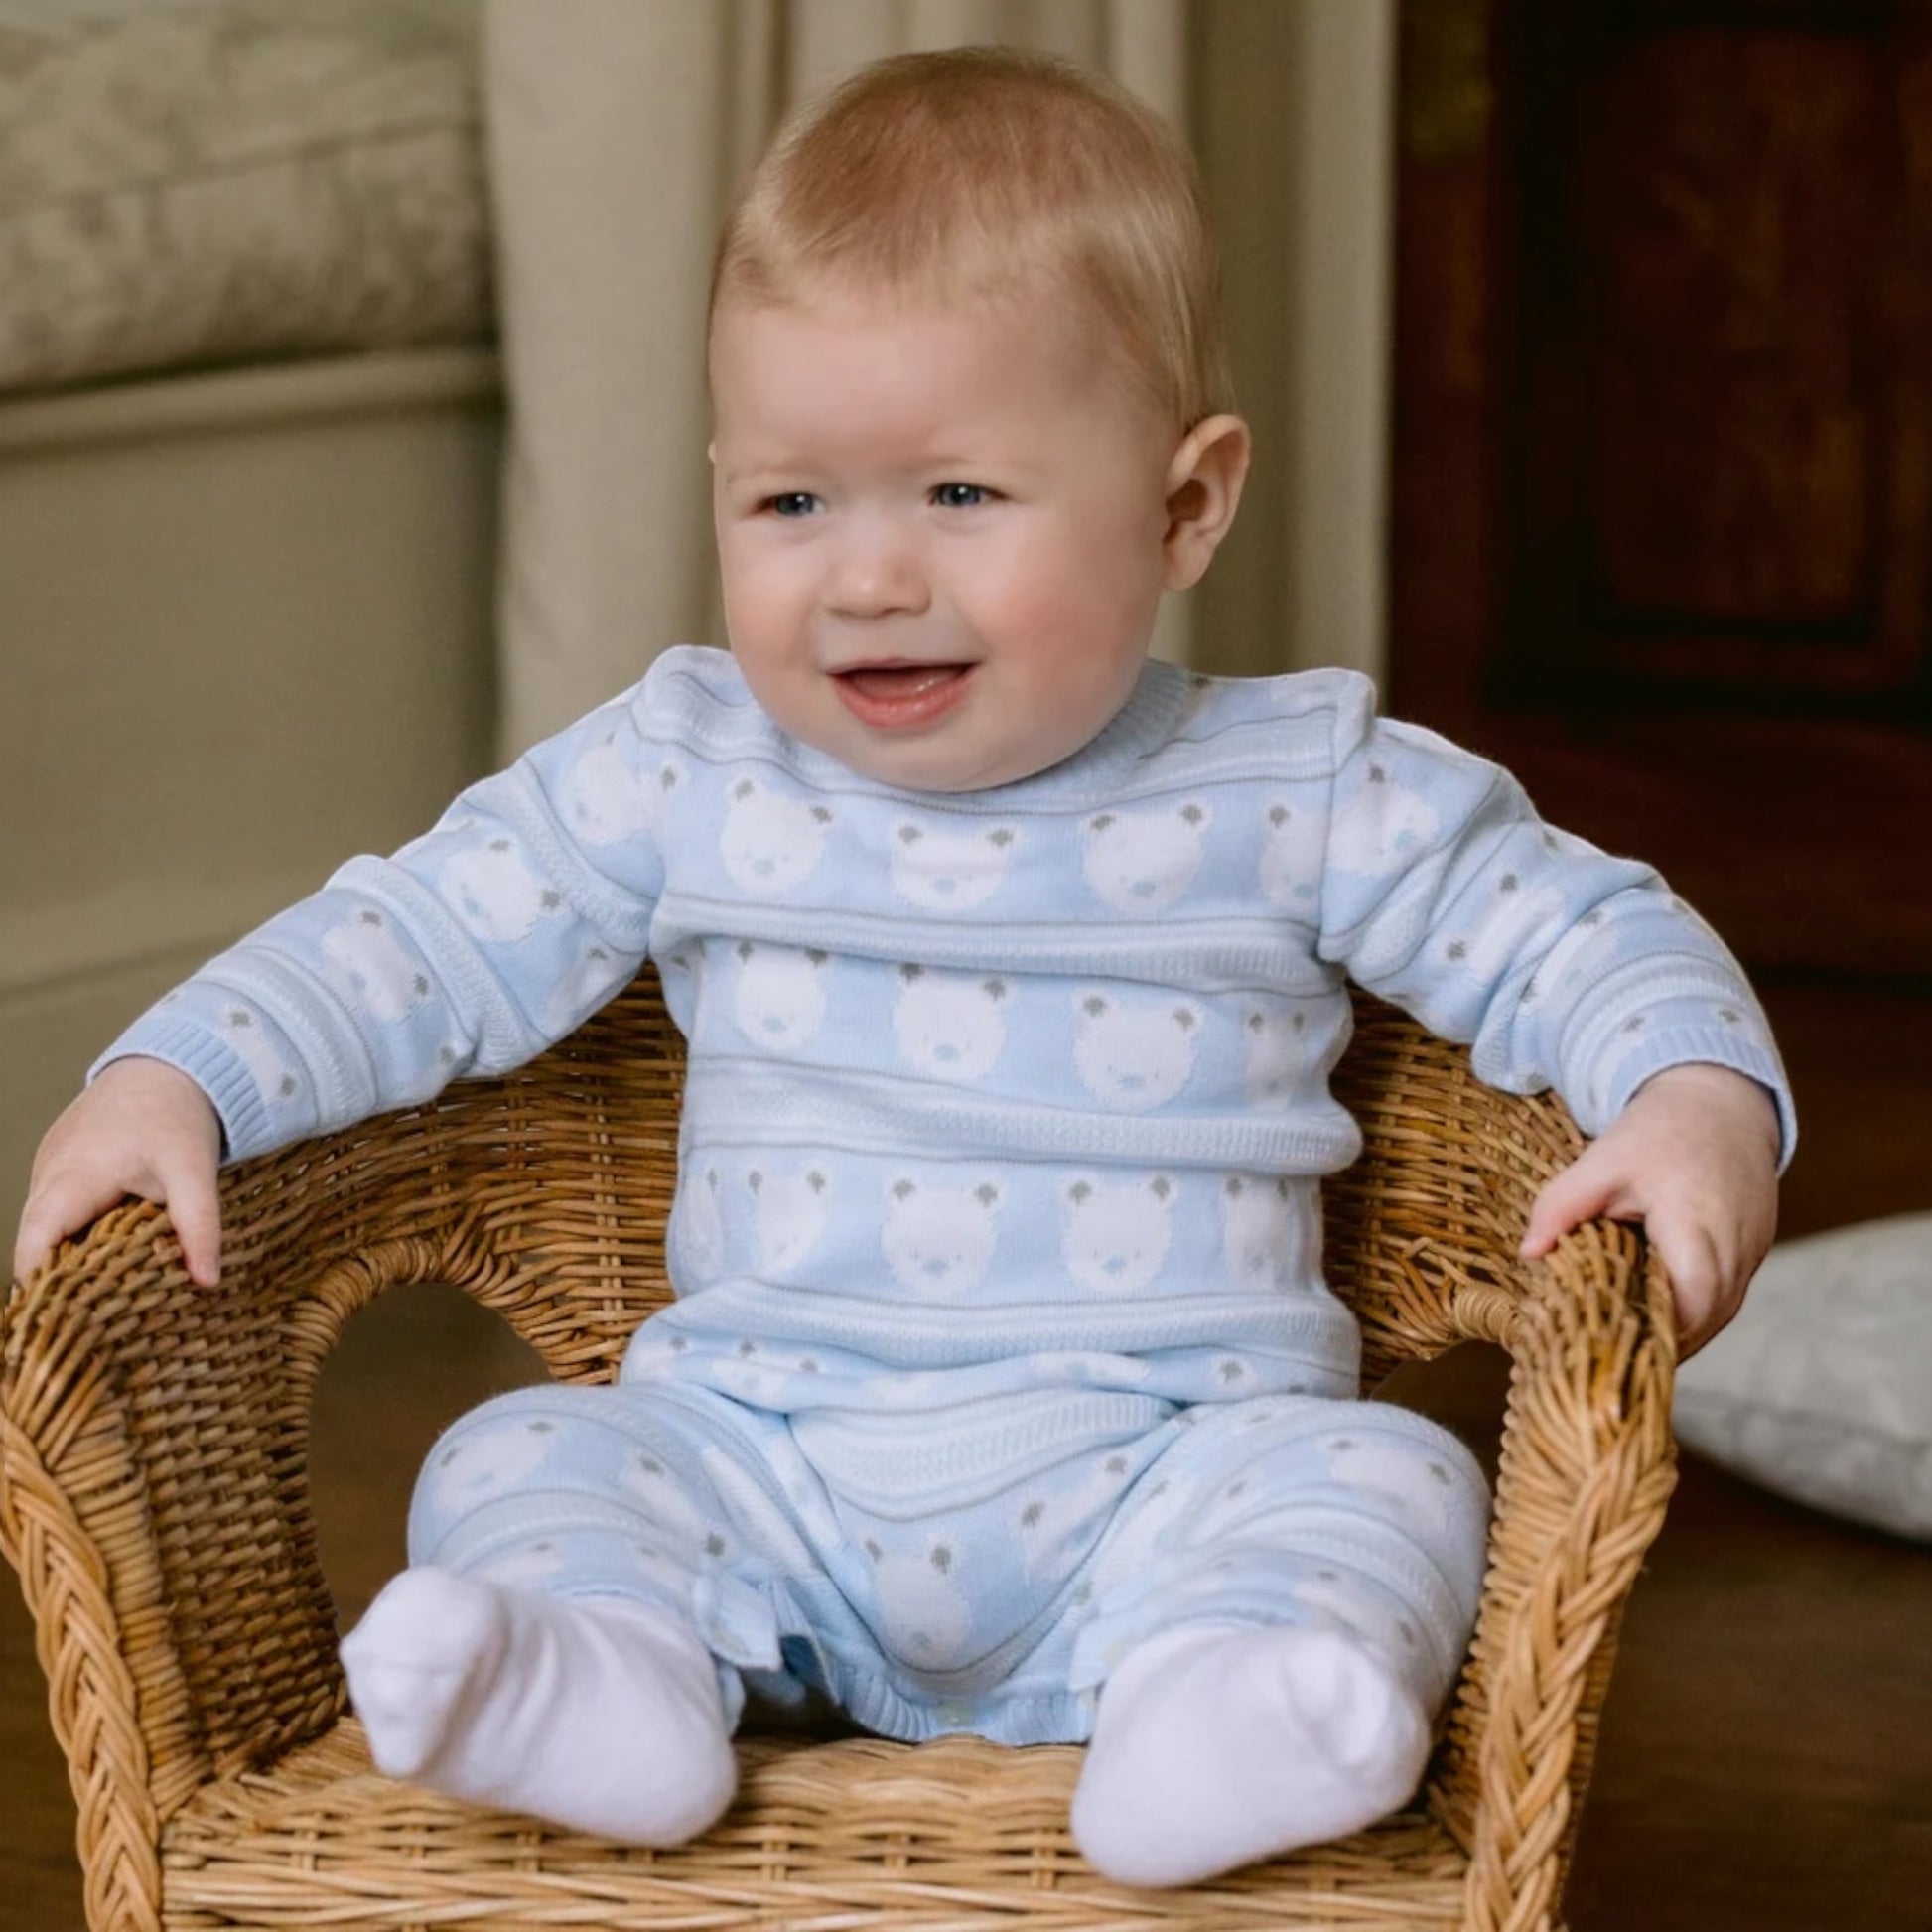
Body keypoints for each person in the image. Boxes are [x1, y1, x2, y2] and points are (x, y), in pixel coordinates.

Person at [12, 47, 1789, 1889]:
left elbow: (1574, 922)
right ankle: (610, 1673)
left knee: (1398, 1484)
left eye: (956, 492)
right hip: (756, 1470)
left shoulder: (1300, 783)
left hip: (1171, 1477)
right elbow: (424, 929)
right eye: (790, 505)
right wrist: (177, 1072)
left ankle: (1227, 1705)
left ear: (1184, 505)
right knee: (512, 1452)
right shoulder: (686, 762)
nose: (865, 578)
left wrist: (1693, 1096)